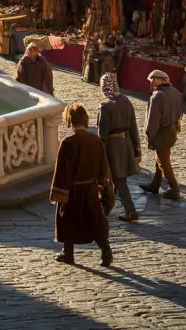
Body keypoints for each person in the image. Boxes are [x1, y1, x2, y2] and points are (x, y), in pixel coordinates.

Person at [49, 103, 113, 267]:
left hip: (72, 191)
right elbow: (103, 166)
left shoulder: (67, 142)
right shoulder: (95, 140)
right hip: (90, 189)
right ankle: (106, 252)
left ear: (70, 121)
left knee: (67, 220)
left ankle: (68, 254)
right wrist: (102, 186)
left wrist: (59, 194)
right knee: (94, 220)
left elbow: (62, 171)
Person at [97, 72, 141, 221]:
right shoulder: (126, 101)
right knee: (119, 178)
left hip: (112, 147)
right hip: (126, 143)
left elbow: (102, 134)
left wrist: (100, 154)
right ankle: (111, 206)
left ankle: (130, 210)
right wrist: (136, 150)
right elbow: (133, 127)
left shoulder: (105, 106)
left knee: (117, 179)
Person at [140, 70, 183, 200]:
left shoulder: (157, 96)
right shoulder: (175, 92)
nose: (152, 83)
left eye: (154, 80)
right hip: (172, 130)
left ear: (161, 80)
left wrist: (150, 136)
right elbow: (180, 112)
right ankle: (155, 184)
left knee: (164, 161)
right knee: (159, 158)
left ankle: (174, 189)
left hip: (162, 132)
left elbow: (153, 120)